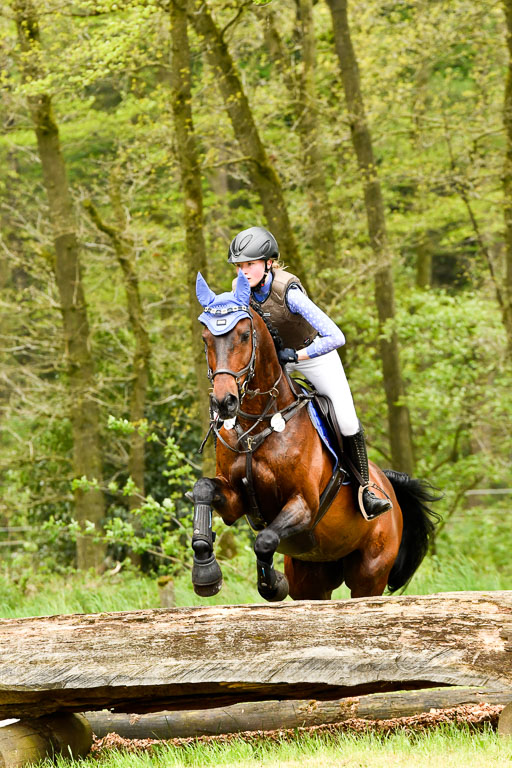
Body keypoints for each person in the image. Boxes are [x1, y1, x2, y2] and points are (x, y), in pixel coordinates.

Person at [228, 225, 391, 520]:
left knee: (346, 419)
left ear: (268, 263)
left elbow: (336, 336)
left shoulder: (288, 293)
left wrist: (297, 355)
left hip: (314, 355)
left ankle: (366, 489)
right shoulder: (239, 291)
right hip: (276, 363)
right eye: (239, 265)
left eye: (250, 264)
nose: (243, 271)